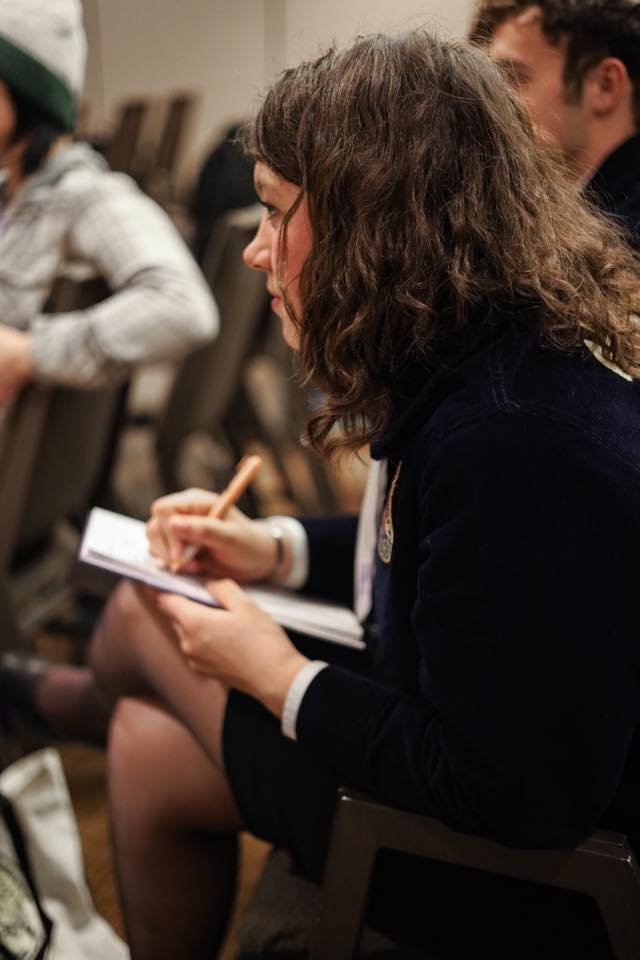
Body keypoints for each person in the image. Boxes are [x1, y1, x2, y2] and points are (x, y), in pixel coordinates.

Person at [4, 29, 640, 960]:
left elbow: (509, 794)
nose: (257, 252)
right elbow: (452, 560)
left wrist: (276, 672)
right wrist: (275, 552)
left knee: (146, 624)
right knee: (146, 737)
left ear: (375, 222)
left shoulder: (511, 439)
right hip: (450, 748)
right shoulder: (490, 355)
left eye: (273, 215)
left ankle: (55, 703)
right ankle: (74, 704)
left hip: (507, 876)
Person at [0, 0, 217, 401]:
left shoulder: (84, 195)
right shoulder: (11, 195)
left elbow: (184, 308)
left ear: (28, 95)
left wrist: (30, 352)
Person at [469, 0, 640, 251]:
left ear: (606, 85)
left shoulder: (624, 243)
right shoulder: (588, 217)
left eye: (513, 77)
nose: (492, 103)